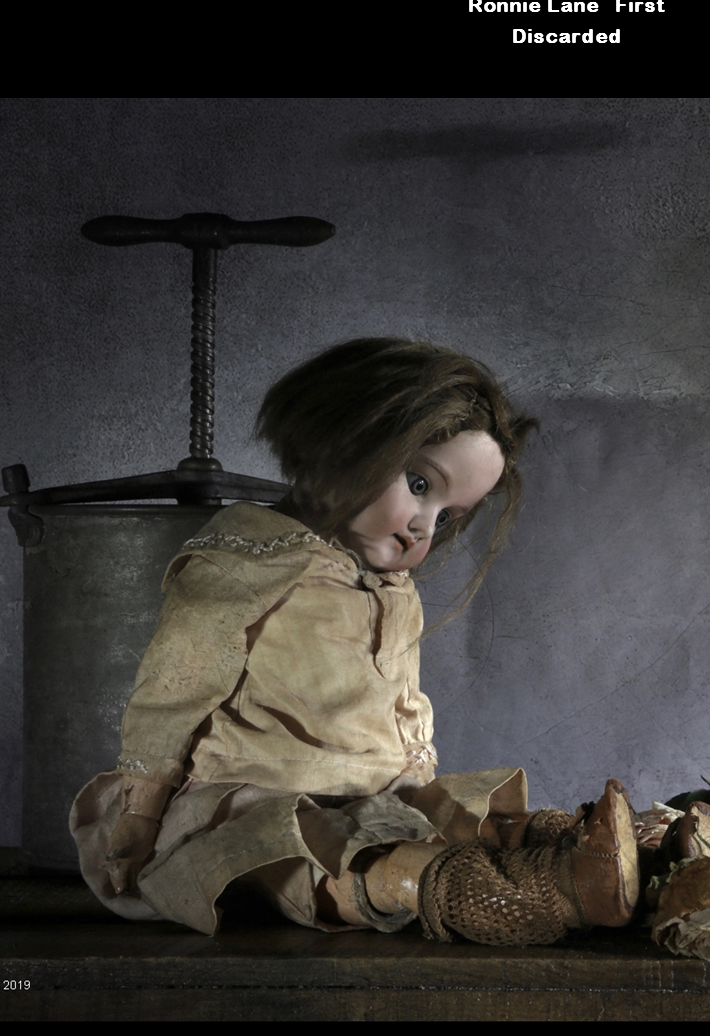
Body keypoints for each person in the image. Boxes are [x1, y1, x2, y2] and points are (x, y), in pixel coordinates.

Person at [70, 338, 639, 946]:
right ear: (345, 439)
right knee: (305, 858)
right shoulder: (247, 561)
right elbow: (172, 692)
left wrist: (423, 791)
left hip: (371, 795)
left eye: (447, 516)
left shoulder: (390, 589)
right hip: (258, 795)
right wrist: (141, 809)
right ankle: (442, 885)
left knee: (452, 822)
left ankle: (571, 854)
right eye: (419, 484)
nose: (423, 527)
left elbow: (403, 704)